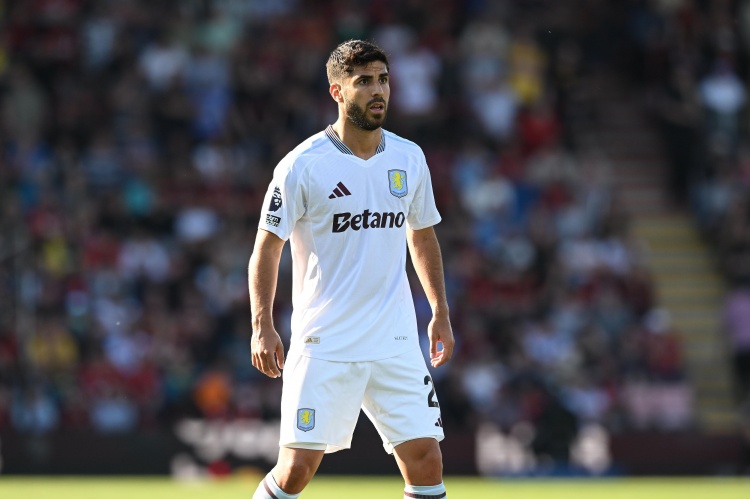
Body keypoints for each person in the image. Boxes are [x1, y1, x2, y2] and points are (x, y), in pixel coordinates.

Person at [247, 40, 455, 499]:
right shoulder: (302, 165)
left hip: (394, 340)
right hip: (326, 342)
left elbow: (421, 236)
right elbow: (267, 247)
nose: (378, 90)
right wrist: (262, 325)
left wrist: (439, 310)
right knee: (296, 469)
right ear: (337, 92)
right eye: (364, 82)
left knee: (426, 460)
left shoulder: (409, 157)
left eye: (383, 79)